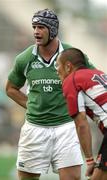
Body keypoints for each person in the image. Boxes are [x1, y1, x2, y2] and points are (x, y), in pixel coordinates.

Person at [6, 9, 95, 180]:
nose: (36, 32)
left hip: (66, 128)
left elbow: (92, 79)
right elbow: (10, 89)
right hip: (34, 128)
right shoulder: (24, 59)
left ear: (53, 30)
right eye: (34, 27)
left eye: (41, 27)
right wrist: (31, 104)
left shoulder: (73, 55)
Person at [56, 47, 107, 180]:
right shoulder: (99, 74)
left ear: (68, 66)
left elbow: (81, 124)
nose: (56, 70)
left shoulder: (71, 80)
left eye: (57, 65)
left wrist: (89, 160)